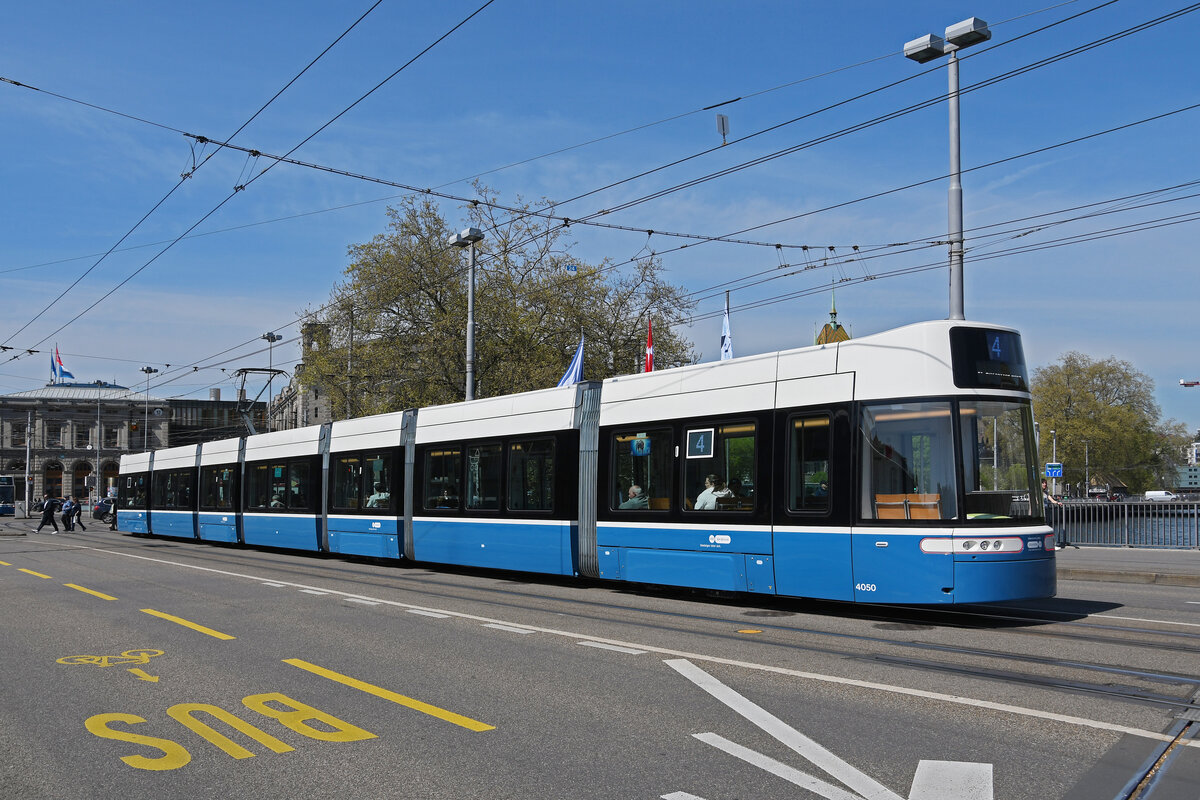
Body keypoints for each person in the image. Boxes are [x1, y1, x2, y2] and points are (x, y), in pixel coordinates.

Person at [1042, 479, 1072, 549]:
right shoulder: (1037, 492)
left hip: (1046, 511)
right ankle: (1047, 545)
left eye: (1045, 483)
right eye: (1043, 483)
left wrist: (1057, 502)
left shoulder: (1046, 492)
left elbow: (1051, 500)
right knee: (1044, 528)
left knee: (1048, 528)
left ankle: (1050, 544)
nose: (1045, 484)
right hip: (1041, 512)